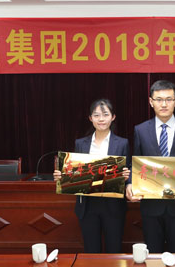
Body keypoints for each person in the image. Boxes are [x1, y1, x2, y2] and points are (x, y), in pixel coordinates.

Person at [126, 80, 175, 253]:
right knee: (153, 254)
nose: (164, 104)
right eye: (159, 99)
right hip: (150, 205)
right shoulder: (140, 130)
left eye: (168, 99)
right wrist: (130, 183)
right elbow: (135, 164)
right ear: (151, 101)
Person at [53, 99, 130, 253]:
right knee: (91, 251)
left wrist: (126, 176)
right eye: (96, 115)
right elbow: (76, 171)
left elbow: (128, 168)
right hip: (87, 205)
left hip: (113, 204)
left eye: (105, 114)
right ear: (90, 118)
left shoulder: (122, 143)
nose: (101, 119)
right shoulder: (81, 143)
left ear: (113, 117)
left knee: (114, 250)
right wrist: (62, 175)